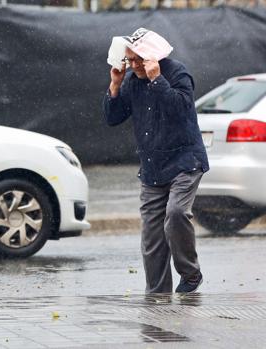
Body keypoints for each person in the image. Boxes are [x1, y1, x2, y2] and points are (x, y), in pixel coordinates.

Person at [102, 30, 209, 294]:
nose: (133, 65)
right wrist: (115, 86)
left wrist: (156, 79)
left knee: (175, 214)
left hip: (185, 162)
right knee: (152, 238)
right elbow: (113, 118)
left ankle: (190, 273)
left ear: (153, 56)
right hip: (152, 168)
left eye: (138, 59)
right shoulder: (131, 81)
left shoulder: (176, 74)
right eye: (130, 60)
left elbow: (181, 109)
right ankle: (157, 296)